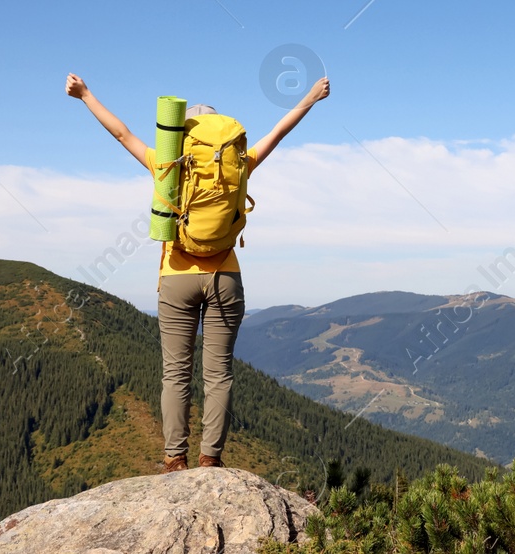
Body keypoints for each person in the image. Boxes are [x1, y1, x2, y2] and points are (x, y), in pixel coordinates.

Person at [65, 72, 331, 473]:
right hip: (225, 275)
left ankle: (175, 460)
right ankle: (210, 460)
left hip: (176, 275)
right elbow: (278, 132)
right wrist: (310, 96)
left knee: (175, 374)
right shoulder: (238, 163)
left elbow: (121, 133)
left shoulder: (167, 163)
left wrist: (85, 95)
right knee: (219, 373)